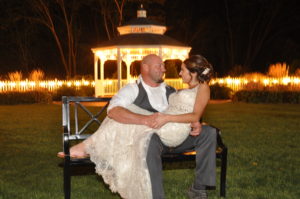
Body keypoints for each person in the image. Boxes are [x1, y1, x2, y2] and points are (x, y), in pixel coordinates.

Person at [58, 54, 216, 199]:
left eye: (163, 65)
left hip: (175, 134)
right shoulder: (132, 89)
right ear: (145, 67)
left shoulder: (171, 90)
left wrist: (196, 122)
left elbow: (188, 109)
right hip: (152, 137)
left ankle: (198, 188)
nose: (164, 69)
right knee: (148, 140)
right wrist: (146, 120)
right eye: (159, 66)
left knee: (209, 132)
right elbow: (113, 111)